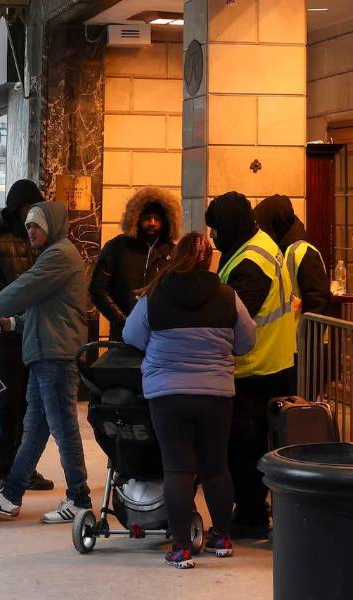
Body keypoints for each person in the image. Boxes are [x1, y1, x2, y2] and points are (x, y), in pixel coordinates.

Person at [123, 232, 256, 569]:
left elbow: (131, 335)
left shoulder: (156, 293)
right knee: (215, 467)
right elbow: (247, 340)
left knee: (178, 469)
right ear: (209, 258)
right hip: (216, 395)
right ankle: (222, 538)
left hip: (168, 395)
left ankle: (181, 548)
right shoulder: (227, 295)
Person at [0, 201, 91, 524]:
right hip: (45, 352)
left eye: (38, 225)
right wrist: (13, 325)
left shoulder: (60, 255)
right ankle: (10, 494)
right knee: (34, 429)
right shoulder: (52, 255)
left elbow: (22, 289)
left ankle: (79, 499)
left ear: (54, 226)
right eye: (28, 225)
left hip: (55, 356)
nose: (31, 230)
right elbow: (43, 308)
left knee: (64, 429)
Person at [205, 191, 297, 539]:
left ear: (230, 225)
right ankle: (250, 509)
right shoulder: (256, 244)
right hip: (271, 361)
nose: (214, 237)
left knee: (244, 447)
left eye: (216, 229)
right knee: (250, 445)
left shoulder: (251, 260)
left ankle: (251, 516)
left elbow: (236, 314)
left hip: (256, 368)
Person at [0, 179, 54, 492]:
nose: (32, 214)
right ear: (17, 207)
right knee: (9, 403)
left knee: (32, 404)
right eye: (28, 207)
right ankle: (5, 470)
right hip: (2, 334)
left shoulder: (39, 239)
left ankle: (23, 467)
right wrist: (8, 302)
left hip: (31, 329)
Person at [89, 187, 181, 340]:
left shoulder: (173, 253)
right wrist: (122, 321)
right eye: (147, 217)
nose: (152, 223)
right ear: (136, 218)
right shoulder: (117, 247)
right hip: (122, 336)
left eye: (157, 218)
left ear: (166, 221)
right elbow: (98, 290)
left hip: (158, 337)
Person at [254, 194, 330, 315]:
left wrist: (306, 334)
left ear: (274, 225)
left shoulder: (303, 252)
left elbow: (318, 303)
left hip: (302, 332)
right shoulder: (281, 250)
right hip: (291, 332)